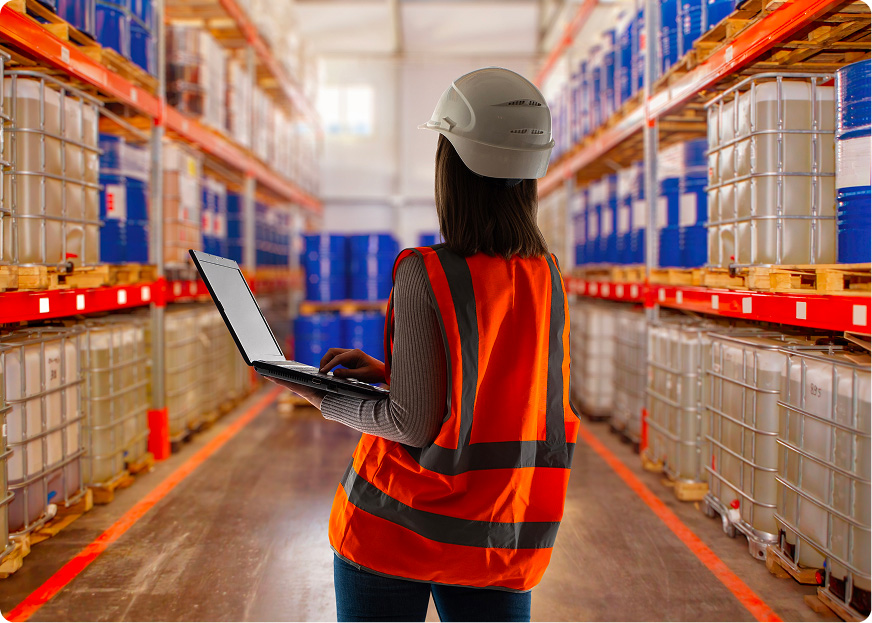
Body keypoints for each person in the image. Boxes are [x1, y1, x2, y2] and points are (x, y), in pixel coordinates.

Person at [268, 67, 580, 623]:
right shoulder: (547, 277)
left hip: (398, 528)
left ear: (451, 168)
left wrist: (320, 396)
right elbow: (496, 387)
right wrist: (396, 373)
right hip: (500, 531)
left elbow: (411, 425)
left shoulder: (426, 272)